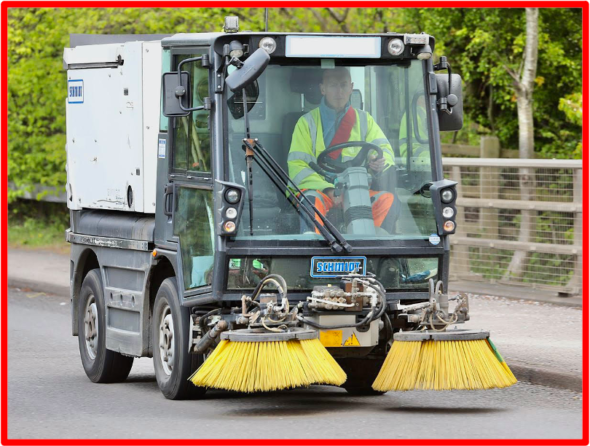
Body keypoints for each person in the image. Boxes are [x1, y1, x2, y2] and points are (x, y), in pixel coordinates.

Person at [288, 67, 398, 233]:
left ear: (351, 87)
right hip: (320, 190)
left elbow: (384, 149)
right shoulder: (306, 123)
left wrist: (379, 162)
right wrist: (329, 189)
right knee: (310, 200)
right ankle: (313, 250)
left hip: (356, 190)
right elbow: (298, 166)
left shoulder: (365, 120)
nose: (339, 91)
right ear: (322, 89)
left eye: (343, 85)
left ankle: (374, 250)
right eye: (333, 85)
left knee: (389, 200)